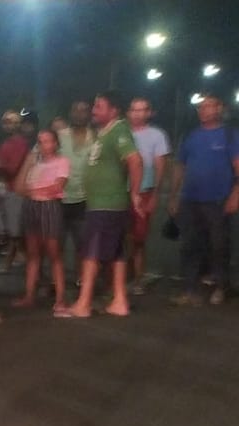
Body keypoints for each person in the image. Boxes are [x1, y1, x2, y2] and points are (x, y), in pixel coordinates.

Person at [60, 91, 143, 319]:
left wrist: (135, 193)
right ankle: (120, 300)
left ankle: (84, 303)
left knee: (91, 254)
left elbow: (135, 160)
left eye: (98, 106)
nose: (93, 110)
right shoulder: (104, 133)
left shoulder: (119, 131)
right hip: (101, 203)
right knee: (116, 253)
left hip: (107, 204)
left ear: (113, 110)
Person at [166, 93, 239, 307]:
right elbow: (180, 165)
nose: (203, 110)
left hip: (219, 200)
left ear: (219, 109)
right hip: (191, 200)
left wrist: (237, 192)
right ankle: (189, 290)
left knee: (219, 245)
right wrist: (173, 195)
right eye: (200, 107)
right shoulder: (191, 136)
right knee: (190, 245)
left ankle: (221, 287)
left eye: (208, 106)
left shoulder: (231, 135)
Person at [14, 127, 70, 309]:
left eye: (47, 141)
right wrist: (26, 164)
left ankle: (61, 298)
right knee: (33, 253)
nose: (44, 145)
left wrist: (32, 191)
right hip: (32, 207)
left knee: (54, 253)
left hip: (49, 206)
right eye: (40, 141)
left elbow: (56, 187)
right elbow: (18, 188)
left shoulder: (62, 162)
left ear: (55, 143)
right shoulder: (34, 164)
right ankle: (29, 295)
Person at [127, 97, 169, 294]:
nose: (138, 113)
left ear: (149, 113)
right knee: (119, 237)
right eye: (134, 110)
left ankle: (137, 279)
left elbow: (160, 165)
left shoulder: (157, 135)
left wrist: (155, 194)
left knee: (138, 239)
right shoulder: (121, 133)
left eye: (143, 110)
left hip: (144, 191)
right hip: (120, 191)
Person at [56, 100, 94, 270]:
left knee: (83, 244)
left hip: (85, 199)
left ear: (90, 114)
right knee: (56, 244)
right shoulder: (59, 136)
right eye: (76, 110)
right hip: (58, 198)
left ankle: (82, 281)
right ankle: (56, 283)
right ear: (70, 113)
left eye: (84, 110)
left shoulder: (97, 138)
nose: (79, 114)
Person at [0, 109, 29, 267]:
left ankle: (15, 259)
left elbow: (12, 169)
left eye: (12, 121)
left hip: (15, 190)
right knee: (12, 229)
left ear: (18, 124)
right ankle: (15, 257)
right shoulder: (6, 142)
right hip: (6, 188)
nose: (7, 125)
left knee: (14, 229)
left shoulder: (19, 143)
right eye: (5, 121)